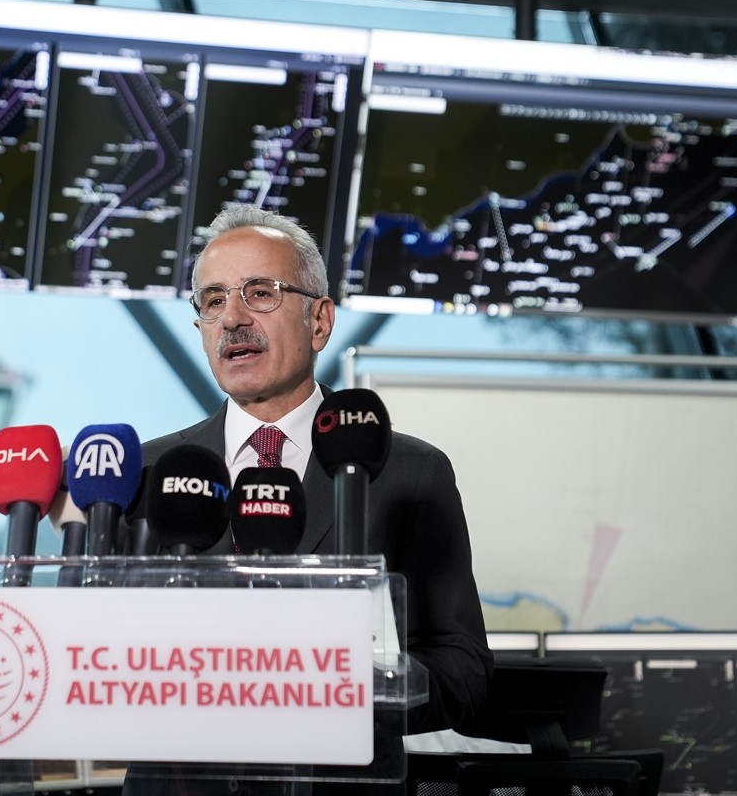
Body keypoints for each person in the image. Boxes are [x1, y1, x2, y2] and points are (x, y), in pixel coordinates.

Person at [126, 204, 492, 793]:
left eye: (260, 293)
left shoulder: (411, 473)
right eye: (214, 300)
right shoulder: (147, 472)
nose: (233, 319)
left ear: (319, 322)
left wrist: (348, 683)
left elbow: (461, 670)